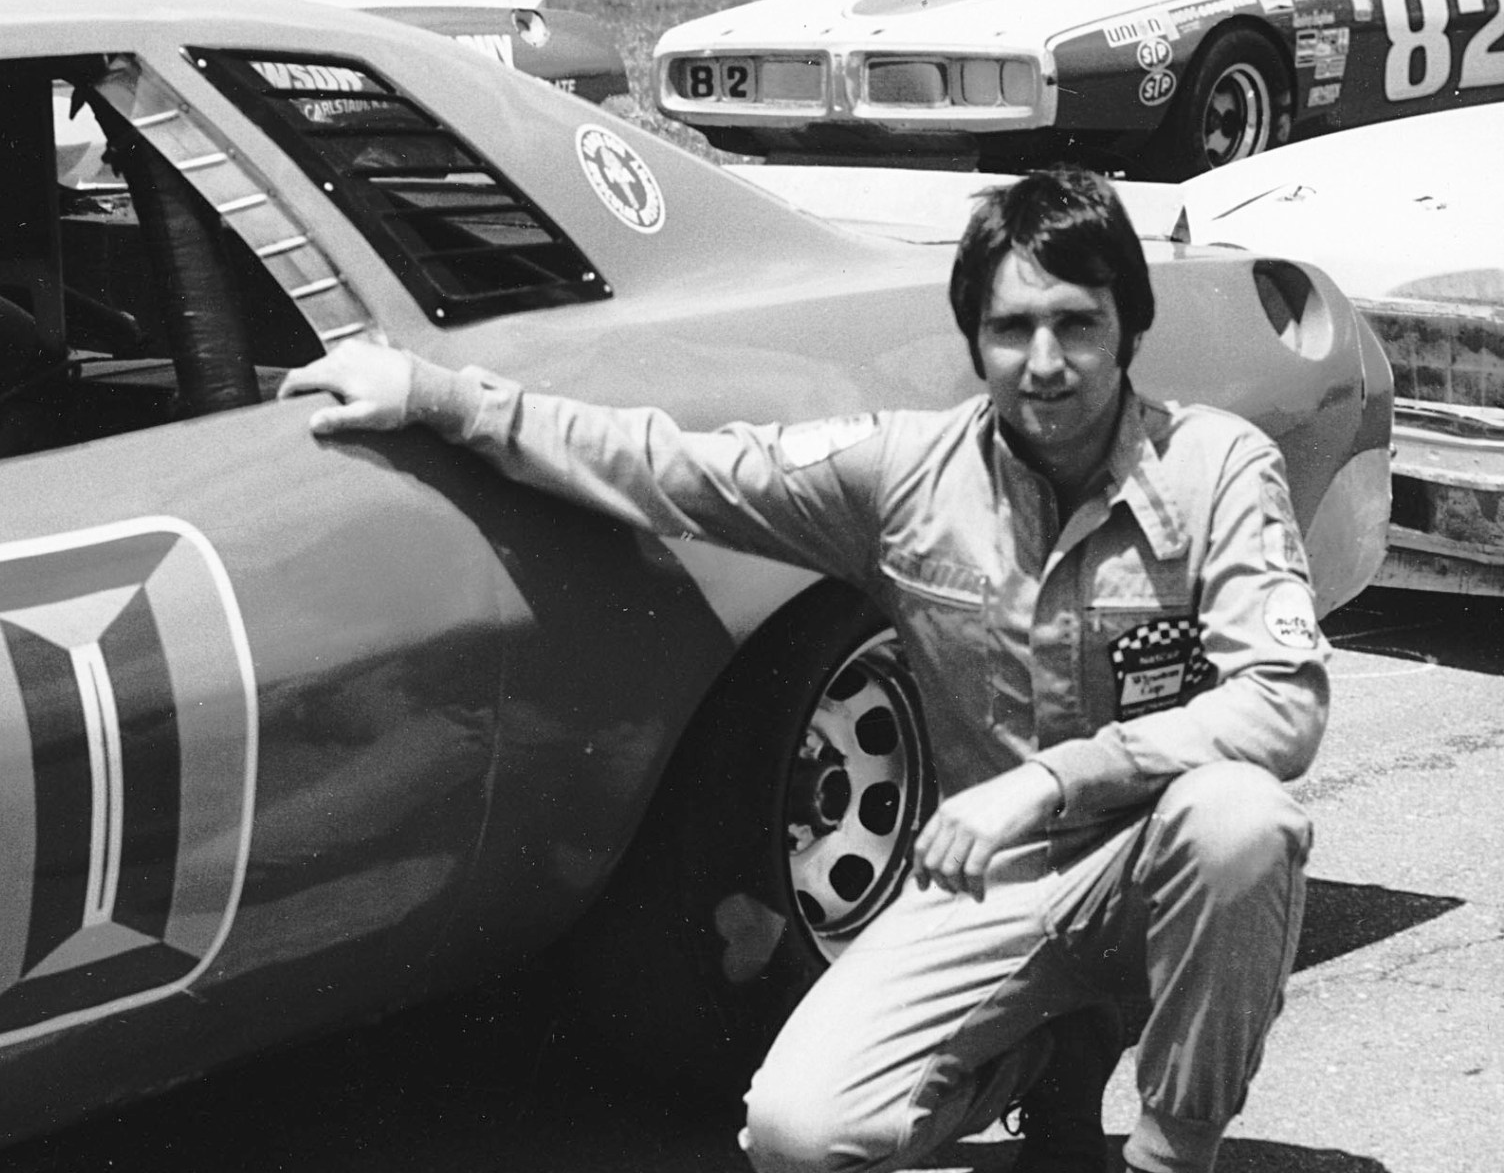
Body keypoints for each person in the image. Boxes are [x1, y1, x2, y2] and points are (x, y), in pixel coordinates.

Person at [279, 167, 1324, 1173]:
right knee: (798, 1136)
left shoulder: (1217, 468)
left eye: (1077, 324)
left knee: (1241, 824)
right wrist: (432, 394)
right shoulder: (904, 473)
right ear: (973, 341)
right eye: (1011, 329)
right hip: (989, 888)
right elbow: (671, 467)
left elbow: (1280, 704)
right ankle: (1045, 1053)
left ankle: (1167, 1154)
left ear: (1127, 330)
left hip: (1156, 864)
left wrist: (1054, 779)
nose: (1044, 362)